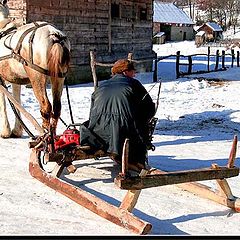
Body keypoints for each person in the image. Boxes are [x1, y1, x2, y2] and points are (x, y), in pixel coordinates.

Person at [80, 59, 155, 171]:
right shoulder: (133, 84)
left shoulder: (101, 86)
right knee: (139, 125)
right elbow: (149, 108)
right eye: (133, 71)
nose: (135, 74)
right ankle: (135, 161)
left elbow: (92, 112)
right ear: (125, 72)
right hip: (123, 132)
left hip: (98, 132)